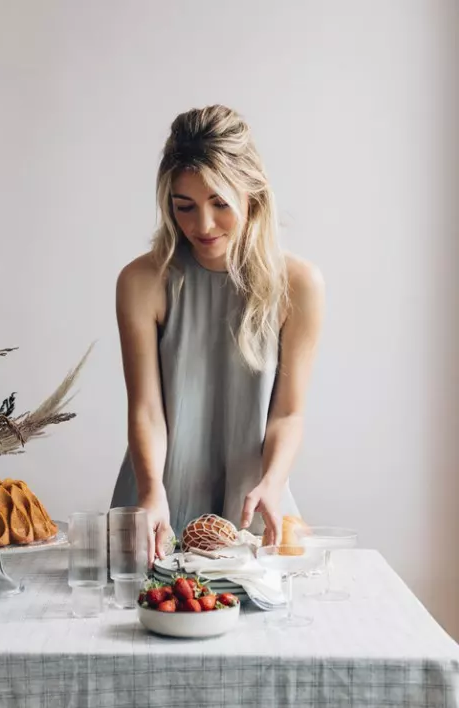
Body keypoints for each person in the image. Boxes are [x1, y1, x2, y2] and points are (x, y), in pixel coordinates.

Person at [110, 105, 325, 563]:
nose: (201, 226)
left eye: (220, 204)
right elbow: (146, 410)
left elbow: (288, 413)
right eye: (183, 206)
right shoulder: (142, 281)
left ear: (253, 196)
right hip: (158, 502)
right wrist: (151, 493)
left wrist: (274, 480)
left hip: (254, 503)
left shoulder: (299, 285)